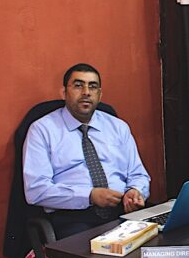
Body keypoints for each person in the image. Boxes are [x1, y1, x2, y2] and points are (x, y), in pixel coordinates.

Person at [23, 63, 150, 239]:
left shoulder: (118, 127)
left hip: (123, 212)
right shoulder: (42, 130)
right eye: (78, 85)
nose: (86, 92)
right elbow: (36, 191)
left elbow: (138, 174)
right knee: (98, 255)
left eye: (93, 86)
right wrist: (89, 196)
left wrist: (135, 191)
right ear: (64, 93)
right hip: (74, 218)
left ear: (99, 95)